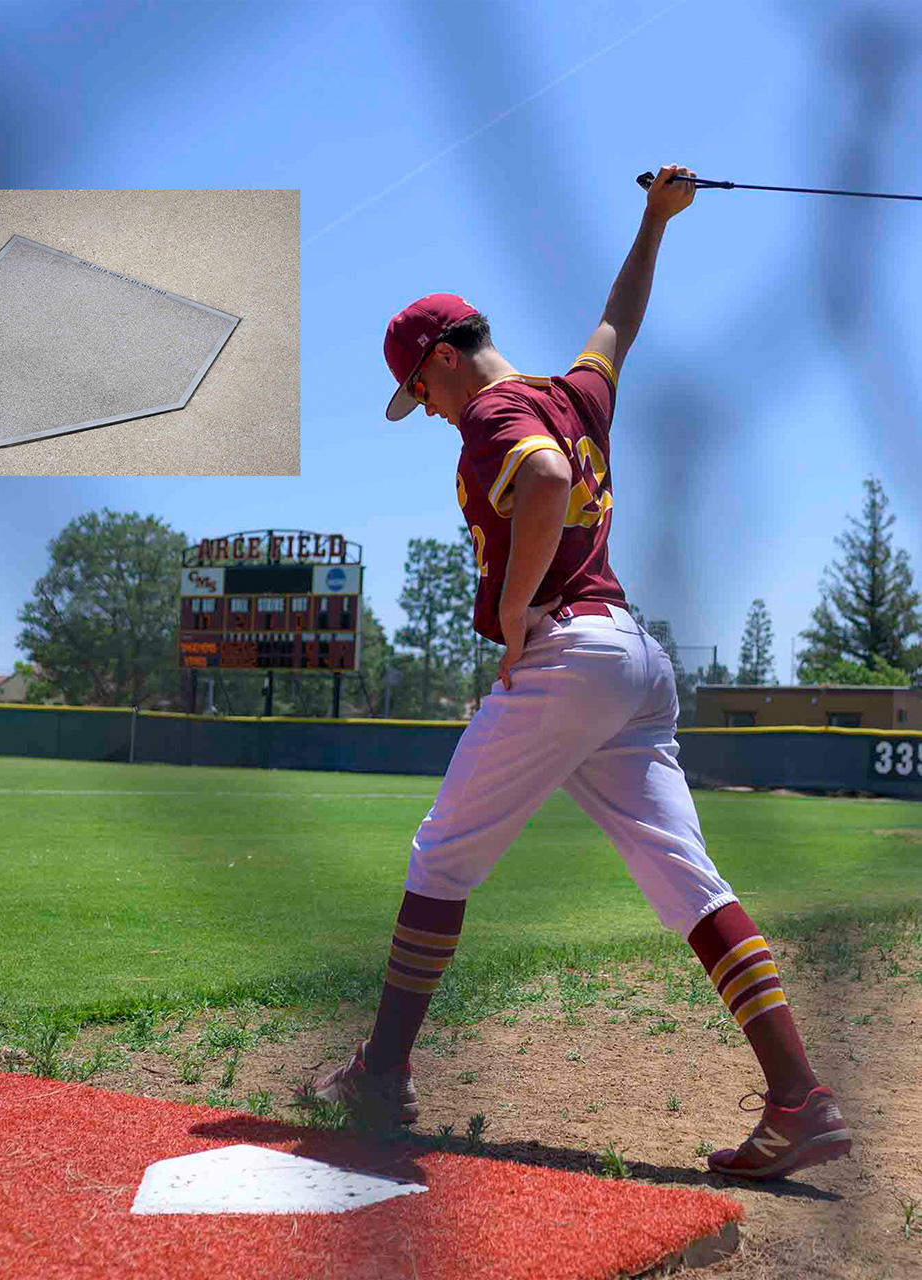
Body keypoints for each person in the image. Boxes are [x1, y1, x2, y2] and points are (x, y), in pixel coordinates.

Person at [294, 164, 851, 1181]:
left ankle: (380, 1071)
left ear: (440, 361)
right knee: (684, 877)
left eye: (416, 387)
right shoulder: (571, 391)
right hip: (634, 657)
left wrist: (512, 608)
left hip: (566, 652)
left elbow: (542, 477)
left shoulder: (490, 418)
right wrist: (653, 219)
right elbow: (616, 322)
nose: (421, 409)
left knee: (439, 855)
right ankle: (796, 1095)